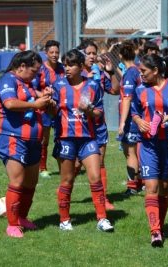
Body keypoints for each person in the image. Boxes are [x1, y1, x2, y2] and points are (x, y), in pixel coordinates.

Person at [47, 49, 114, 232]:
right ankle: (64, 219)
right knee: (67, 181)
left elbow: (99, 112)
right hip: (66, 139)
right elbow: (53, 113)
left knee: (95, 178)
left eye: (70, 65)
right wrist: (51, 106)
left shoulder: (92, 85)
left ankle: (102, 219)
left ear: (80, 66)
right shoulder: (58, 85)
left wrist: (89, 111)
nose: (66, 68)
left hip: (88, 139)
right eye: (65, 65)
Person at [0, 50, 53, 238]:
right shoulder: (7, 80)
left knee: (30, 183)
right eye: (34, 71)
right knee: (17, 182)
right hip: (14, 138)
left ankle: (22, 217)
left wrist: (46, 97)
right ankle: (12, 225)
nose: (36, 76)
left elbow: (37, 97)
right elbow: (10, 103)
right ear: (22, 67)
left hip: (33, 141)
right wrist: (36, 105)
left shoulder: (25, 84)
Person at [131, 54, 168, 247]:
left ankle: (160, 225)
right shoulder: (140, 89)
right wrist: (139, 122)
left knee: (164, 187)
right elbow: (135, 112)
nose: (141, 74)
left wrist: (167, 118)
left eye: (144, 71)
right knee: (151, 187)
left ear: (155, 71)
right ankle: (155, 232)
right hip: (148, 145)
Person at [78, 39, 120, 210]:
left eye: (94, 53)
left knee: (100, 161)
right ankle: (66, 191)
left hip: (99, 124)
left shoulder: (100, 73)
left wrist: (110, 72)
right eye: (88, 53)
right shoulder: (75, 74)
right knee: (75, 165)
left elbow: (115, 90)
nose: (92, 56)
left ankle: (103, 199)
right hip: (79, 125)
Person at [32, 40, 65, 179]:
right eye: (51, 52)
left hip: (60, 108)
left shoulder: (63, 68)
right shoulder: (40, 69)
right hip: (44, 108)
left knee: (62, 137)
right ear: (45, 53)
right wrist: (45, 97)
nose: (54, 55)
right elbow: (32, 89)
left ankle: (65, 166)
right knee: (44, 139)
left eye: (56, 52)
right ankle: (43, 168)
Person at [117, 40, 144, 195]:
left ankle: (132, 187)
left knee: (130, 153)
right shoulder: (138, 70)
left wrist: (122, 123)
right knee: (135, 152)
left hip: (131, 119)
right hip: (137, 115)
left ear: (120, 56)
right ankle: (139, 183)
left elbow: (127, 98)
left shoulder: (130, 73)